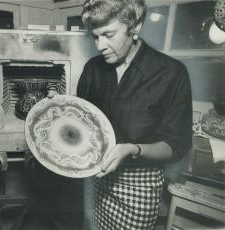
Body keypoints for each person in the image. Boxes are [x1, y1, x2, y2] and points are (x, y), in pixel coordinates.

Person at [77, 0, 192, 229]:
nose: (100, 45)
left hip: (138, 184)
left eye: (108, 34)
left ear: (135, 27)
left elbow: (176, 145)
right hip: (95, 176)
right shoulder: (92, 68)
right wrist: (58, 107)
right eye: (95, 36)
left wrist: (132, 149)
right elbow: (83, 121)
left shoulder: (171, 73)